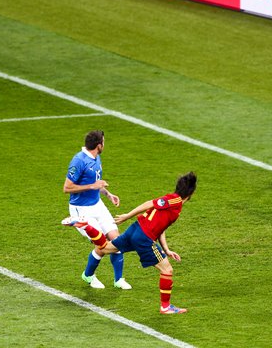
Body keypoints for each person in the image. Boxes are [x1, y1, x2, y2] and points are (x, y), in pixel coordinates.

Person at [63, 172, 197, 315]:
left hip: (136, 229)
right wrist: (127, 216)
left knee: (106, 247)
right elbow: (149, 203)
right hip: (143, 237)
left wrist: (167, 249)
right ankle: (165, 307)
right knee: (167, 270)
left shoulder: (174, 203)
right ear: (190, 193)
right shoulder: (175, 200)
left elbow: (161, 227)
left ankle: (86, 226)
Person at [62, 130, 131, 290]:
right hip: (81, 210)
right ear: (99, 145)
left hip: (97, 205)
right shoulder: (78, 161)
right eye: (104, 142)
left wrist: (108, 194)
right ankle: (88, 275)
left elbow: (96, 181)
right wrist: (92, 186)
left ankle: (118, 279)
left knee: (117, 240)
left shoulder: (96, 157)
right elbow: (67, 188)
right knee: (103, 245)